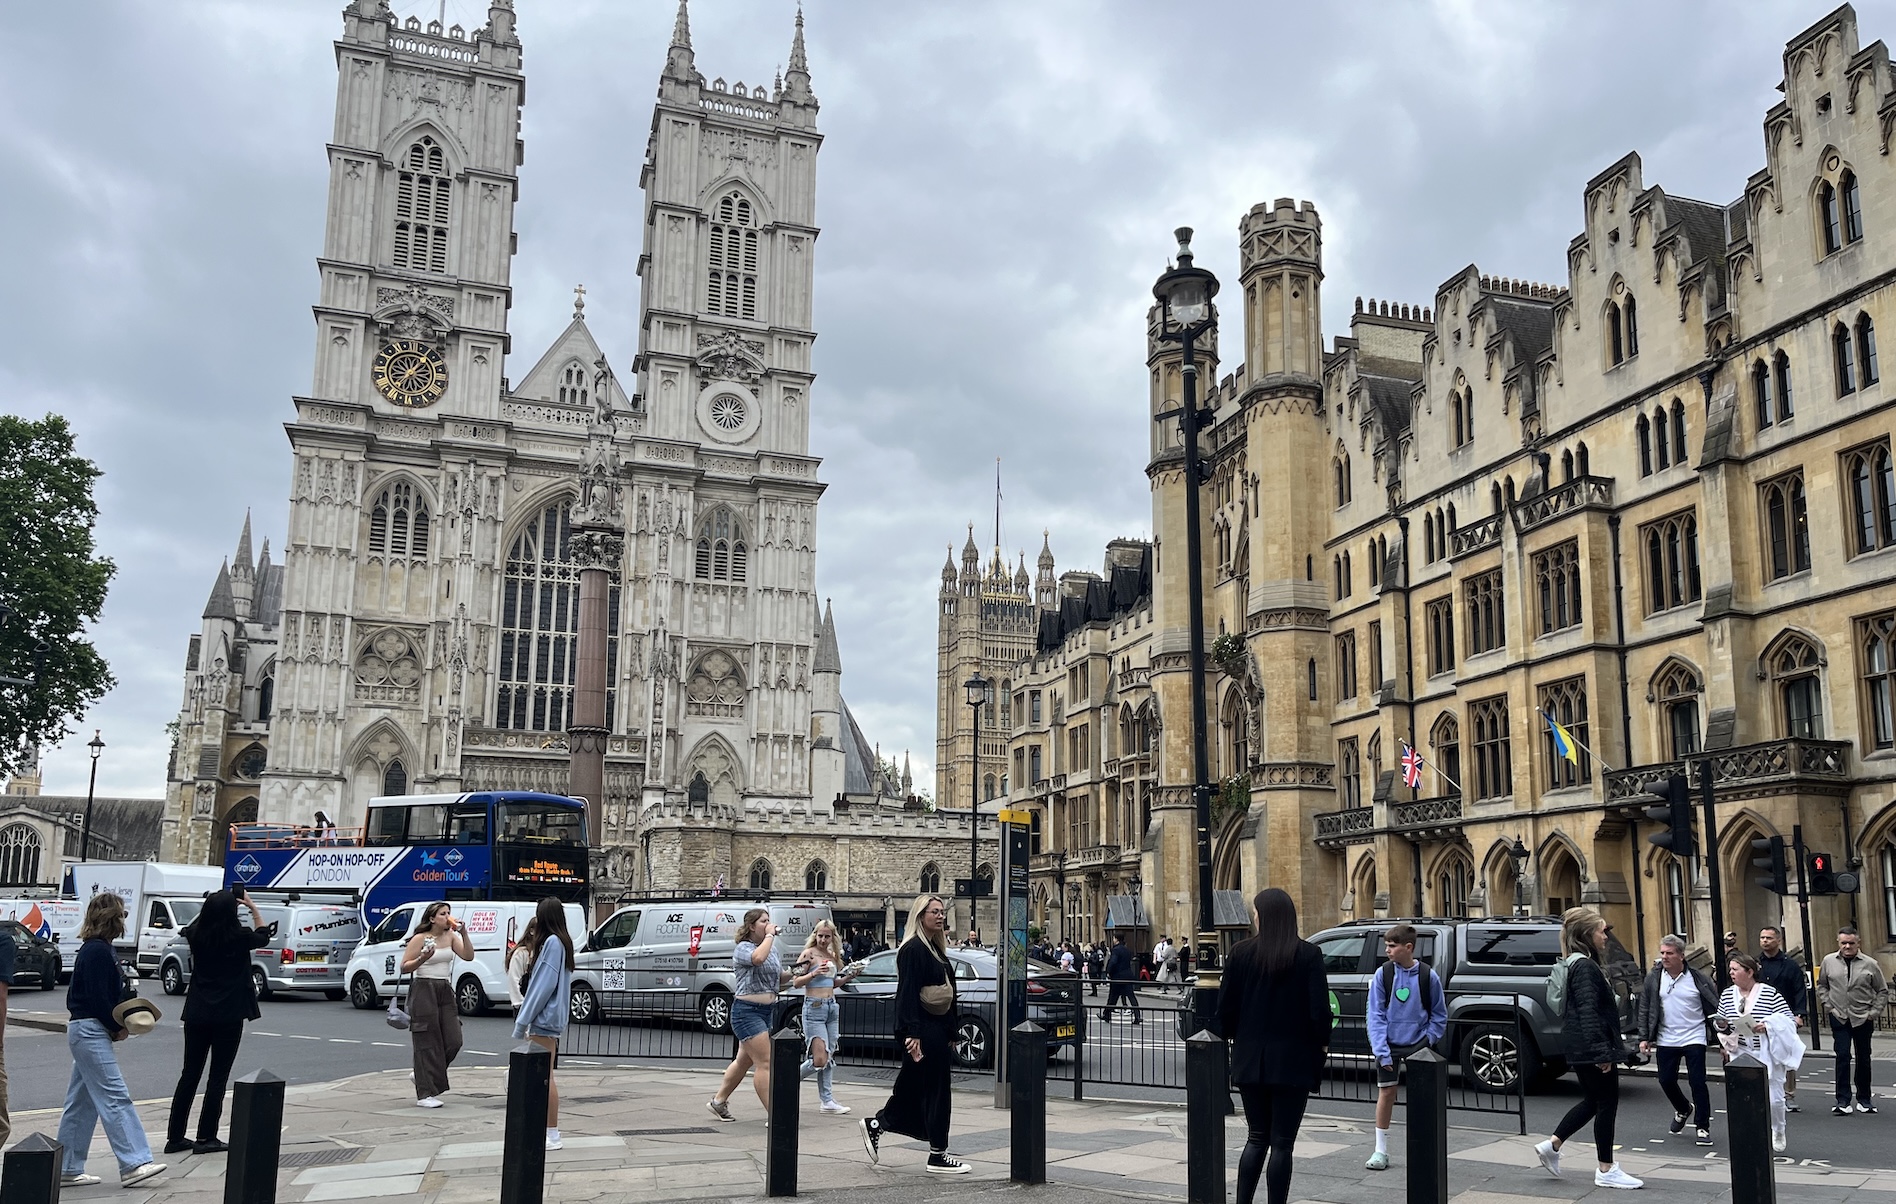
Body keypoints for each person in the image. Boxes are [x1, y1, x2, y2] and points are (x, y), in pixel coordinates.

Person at [1219, 888, 1332, 1204]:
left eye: (1255, 912)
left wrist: (1237, 1037)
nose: (1253, 918)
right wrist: (1320, 1046)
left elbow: (1225, 1011)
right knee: (1282, 1143)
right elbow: (1320, 1012)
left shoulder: (1241, 954)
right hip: (1294, 1061)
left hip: (1250, 1059)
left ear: (1264, 916)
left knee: (1256, 1138)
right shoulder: (1308, 955)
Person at [58, 893, 166, 1188]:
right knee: (115, 1096)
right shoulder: (97, 951)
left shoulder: (95, 948)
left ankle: (67, 1167)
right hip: (91, 1030)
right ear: (112, 919)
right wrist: (115, 1026)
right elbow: (96, 998)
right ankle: (134, 1162)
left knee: (82, 1103)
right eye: (122, 915)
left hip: (85, 1029)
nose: (124, 921)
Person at [1533, 908, 1641, 1189]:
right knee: (1606, 1103)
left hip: (1582, 1045)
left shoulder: (1580, 964)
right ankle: (1606, 1169)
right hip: (1589, 1046)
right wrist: (1601, 1052)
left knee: (1595, 1101)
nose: (1606, 936)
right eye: (1602, 930)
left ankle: (1552, 1145)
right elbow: (1588, 1010)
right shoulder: (1584, 967)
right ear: (1586, 935)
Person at [859, 894, 967, 1174]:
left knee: (918, 1088)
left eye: (942, 912)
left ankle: (881, 1125)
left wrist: (952, 1030)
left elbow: (949, 993)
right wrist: (913, 1033)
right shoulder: (913, 949)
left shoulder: (935, 948)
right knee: (935, 1091)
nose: (941, 916)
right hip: (925, 1030)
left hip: (937, 1029)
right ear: (921, 916)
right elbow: (906, 994)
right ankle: (937, 1154)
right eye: (935, 912)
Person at [165, 888, 273, 1154]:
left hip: (197, 1012)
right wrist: (253, 907)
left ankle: (175, 1137)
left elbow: (194, 925)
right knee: (217, 1077)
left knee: (189, 1074)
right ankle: (206, 1137)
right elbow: (264, 936)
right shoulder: (238, 937)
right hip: (228, 1014)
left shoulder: (195, 935)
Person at [1364, 924, 1447, 1171]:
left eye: (1392, 946)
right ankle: (1380, 1150)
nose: (1387, 950)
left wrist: (1428, 1040)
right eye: (1387, 945)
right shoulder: (1383, 974)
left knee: (1422, 1097)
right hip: (1389, 1045)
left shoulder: (1427, 976)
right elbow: (1375, 1014)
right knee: (1387, 1094)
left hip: (1418, 1044)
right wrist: (1381, 1050)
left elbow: (1439, 1014)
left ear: (1408, 947)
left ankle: (1423, 1147)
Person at [1634, 934, 1718, 1147]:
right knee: (1666, 1080)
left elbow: (1714, 1004)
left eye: (1669, 953)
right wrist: (1644, 1037)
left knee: (1697, 1082)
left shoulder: (1698, 978)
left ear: (1681, 955)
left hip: (1694, 1035)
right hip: (1666, 1037)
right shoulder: (1654, 978)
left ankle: (1702, 1127)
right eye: (1662, 953)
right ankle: (1683, 1108)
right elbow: (1645, 1008)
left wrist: (1722, 1037)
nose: (1665, 957)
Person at [1717, 952, 1799, 1151]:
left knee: (1774, 1099)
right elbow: (1719, 1019)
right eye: (1731, 970)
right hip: (1740, 1050)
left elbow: (1789, 1020)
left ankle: (1778, 1129)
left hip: (1766, 1051)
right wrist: (1723, 1028)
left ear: (1750, 971)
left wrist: (1768, 1025)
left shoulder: (1769, 993)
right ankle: (1750, 1134)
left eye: (1735, 969)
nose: (1732, 973)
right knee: (1743, 1097)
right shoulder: (1728, 994)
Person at [708, 909, 783, 1121]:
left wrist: (804, 972)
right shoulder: (743, 948)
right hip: (747, 1012)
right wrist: (770, 935)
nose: (769, 924)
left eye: (769, 921)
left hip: (766, 1011)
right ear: (752, 926)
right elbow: (757, 959)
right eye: (764, 921)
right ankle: (776, 1115)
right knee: (765, 1062)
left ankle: (718, 1101)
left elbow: (779, 978)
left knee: (743, 1061)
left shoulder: (772, 950)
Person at [513, 898, 575, 1151]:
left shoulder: (551, 943)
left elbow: (542, 987)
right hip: (552, 1018)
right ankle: (549, 1131)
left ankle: (552, 1133)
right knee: (544, 1076)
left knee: (544, 1078)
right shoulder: (563, 942)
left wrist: (522, 1021)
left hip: (544, 1019)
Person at [403, 901, 475, 1108]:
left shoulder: (451, 936)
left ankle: (422, 1074)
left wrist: (465, 934)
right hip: (424, 988)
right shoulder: (420, 938)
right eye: (443, 914)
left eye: (448, 913)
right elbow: (405, 967)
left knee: (454, 1040)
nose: (447, 916)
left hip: (445, 988)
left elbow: (468, 956)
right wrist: (423, 959)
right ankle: (425, 1093)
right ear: (432, 919)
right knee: (427, 1040)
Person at [1819, 925, 1888, 1115]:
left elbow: (1882, 990)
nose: (1847, 946)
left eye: (1851, 943)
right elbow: (1822, 985)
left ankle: (1864, 1099)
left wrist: (1873, 1012)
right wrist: (1829, 1006)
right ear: (1838, 943)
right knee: (1842, 1056)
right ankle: (1842, 1100)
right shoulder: (1828, 961)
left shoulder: (1870, 963)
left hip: (1862, 1017)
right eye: (1844, 943)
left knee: (1863, 1058)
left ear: (1858, 943)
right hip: (1839, 1016)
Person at [792, 919, 858, 1115]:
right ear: (815, 935)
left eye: (826, 936)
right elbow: (795, 981)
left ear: (832, 937)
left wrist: (848, 977)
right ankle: (788, 1078)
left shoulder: (833, 956)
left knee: (829, 1055)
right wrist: (813, 974)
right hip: (814, 1007)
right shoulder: (808, 954)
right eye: (820, 935)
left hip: (831, 1007)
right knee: (819, 1059)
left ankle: (827, 1100)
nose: (822, 939)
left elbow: (832, 983)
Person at [1755, 925, 1807, 1112]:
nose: (1765, 941)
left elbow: (1799, 990)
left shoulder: (1790, 965)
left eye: (1769, 938)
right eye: (1762, 938)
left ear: (1779, 940)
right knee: (1761, 1053)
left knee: (1786, 1054)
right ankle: (1764, 1091)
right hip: (1760, 1015)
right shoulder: (1755, 964)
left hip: (1784, 1016)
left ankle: (1789, 1094)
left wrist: (1799, 1015)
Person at [1101, 933, 1142, 1025]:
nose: (1113, 940)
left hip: (1117, 977)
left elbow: (1113, 962)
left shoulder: (1116, 950)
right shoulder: (1127, 950)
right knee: (1131, 997)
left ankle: (1107, 1015)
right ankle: (1137, 1016)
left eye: (1114, 938)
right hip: (1127, 976)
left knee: (1112, 997)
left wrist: (1108, 971)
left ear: (1116, 939)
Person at [507, 917, 539, 1011]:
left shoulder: (542, 951)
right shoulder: (521, 953)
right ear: (532, 931)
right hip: (523, 1005)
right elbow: (514, 978)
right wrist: (520, 1003)